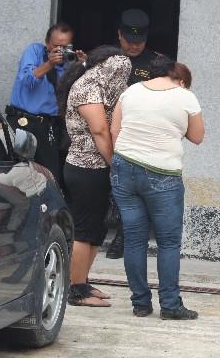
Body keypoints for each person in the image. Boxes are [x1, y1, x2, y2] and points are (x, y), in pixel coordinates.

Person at [110, 54, 204, 319]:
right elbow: (197, 137)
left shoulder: (130, 92)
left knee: (134, 239)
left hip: (124, 168)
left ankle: (140, 303)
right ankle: (170, 305)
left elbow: (115, 130)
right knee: (168, 242)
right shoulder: (185, 96)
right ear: (178, 77)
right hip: (162, 174)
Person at [57, 46, 131, 307]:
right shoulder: (87, 87)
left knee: (97, 229)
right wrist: (115, 163)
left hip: (97, 168)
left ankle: (82, 281)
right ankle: (75, 290)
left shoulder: (96, 84)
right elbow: (100, 130)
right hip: (85, 167)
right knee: (84, 229)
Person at [6, 22, 86, 189]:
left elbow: (81, 95)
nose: (60, 50)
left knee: (51, 176)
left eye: (65, 47)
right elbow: (26, 80)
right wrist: (49, 64)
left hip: (49, 126)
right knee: (19, 173)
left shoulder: (70, 63)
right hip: (24, 124)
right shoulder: (34, 51)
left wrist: (84, 67)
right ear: (47, 43)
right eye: (56, 46)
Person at [106, 8, 157, 259]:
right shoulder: (107, 60)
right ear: (119, 35)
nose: (135, 46)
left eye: (140, 41)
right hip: (110, 132)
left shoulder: (156, 63)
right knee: (114, 186)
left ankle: (125, 235)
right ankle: (117, 229)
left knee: (136, 187)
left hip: (142, 135)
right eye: (130, 40)